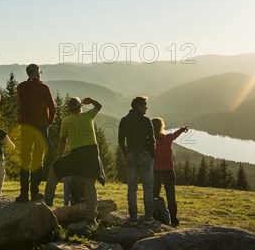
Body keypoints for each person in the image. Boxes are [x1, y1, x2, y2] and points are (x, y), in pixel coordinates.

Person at [46, 97, 105, 225]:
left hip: (76, 154)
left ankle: (48, 202)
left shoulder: (66, 121)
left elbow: (62, 141)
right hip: (91, 153)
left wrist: (59, 157)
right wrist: (91, 101)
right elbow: (99, 106)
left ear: (69, 109)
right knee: (90, 183)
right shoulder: (88, 115)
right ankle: (91, 218)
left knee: (54, 170)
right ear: (80, 107)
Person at [16, 64, 55, 202]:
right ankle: (35, 192)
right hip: (40, 127)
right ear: (37, 73)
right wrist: (48, 122)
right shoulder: (43, 88)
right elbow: (52, 107)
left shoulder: (21, 87)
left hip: (26, 127)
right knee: (38, 160)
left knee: (25, 160)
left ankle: (23, 194)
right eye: (40, 71)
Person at [118, 96, 156, 225]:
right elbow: (152, 140)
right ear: (139, 106)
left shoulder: (124, 120)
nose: (146, 107)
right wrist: (151, 155)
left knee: (131, 188)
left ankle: (133, 217)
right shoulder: (146, 120)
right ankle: (148, 217)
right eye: (145, 105)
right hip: (145, 155)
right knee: (148, 188)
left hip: (131, 155)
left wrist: (126, 153)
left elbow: (120, 141)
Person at [152, 118, 188, 226]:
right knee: (171, 196)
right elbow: (175, 134)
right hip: (169, 171)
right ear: (162, 127)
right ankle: (174, 220)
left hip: (156, 171)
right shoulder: (167, 138)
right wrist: (182, 130)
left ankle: (155, 216)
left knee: (154, 195)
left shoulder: (151, 141)